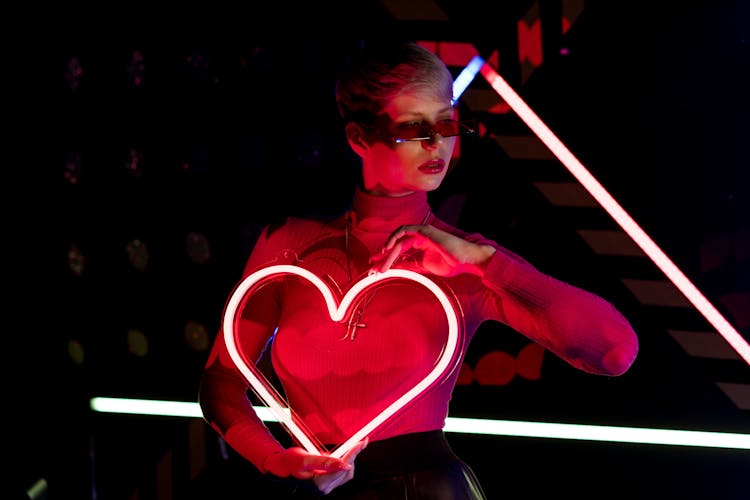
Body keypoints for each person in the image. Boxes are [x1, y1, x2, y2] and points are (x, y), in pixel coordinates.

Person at [198, 37, 639, 499]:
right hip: (315, 491)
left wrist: (490, 264)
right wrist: (272, 459)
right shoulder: (289, 245)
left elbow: (615, 351)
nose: (436, 145)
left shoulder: (468, 259)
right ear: (358, 138)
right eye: (413, 128)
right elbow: (222, 380)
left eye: (447, 124)